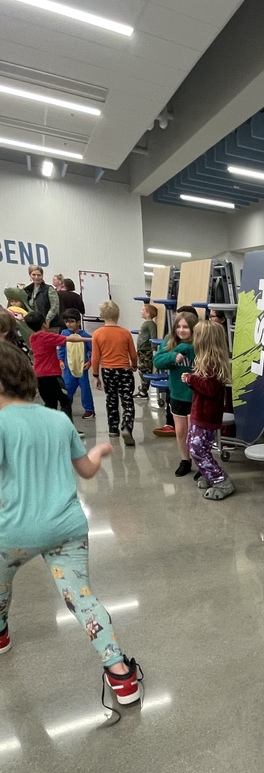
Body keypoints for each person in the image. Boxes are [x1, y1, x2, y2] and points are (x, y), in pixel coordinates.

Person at [0, 342, 142, 703]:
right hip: (67, 528)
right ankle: (121, 674)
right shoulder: (58, 419)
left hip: (12, 531)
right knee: (82, 598)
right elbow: (88, 471)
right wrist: (97, 451)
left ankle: (1, 633)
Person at [180, 320, 234, 500]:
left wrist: (191, 380)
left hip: (207, 415)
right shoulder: (204, 360)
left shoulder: (213, 362)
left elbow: (210, 389)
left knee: (198, 449)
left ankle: (221, 480)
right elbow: (204, 388)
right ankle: (209, 474)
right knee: (195, 445)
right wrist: (192, 381)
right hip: (199, 412)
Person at [153, 310, 197, 476]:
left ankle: (200, 460)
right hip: (177, 394)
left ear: (193, 328)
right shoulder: (169, 341)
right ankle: (185, 459)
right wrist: (174, 355)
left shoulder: (199, 342)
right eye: (178, 326)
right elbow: (157, 361)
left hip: (195, 395)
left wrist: (187, 348)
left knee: (195, 432)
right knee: (180, 431)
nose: (181, 330)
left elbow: (203, 361)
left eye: (186, 327)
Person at [91, 300, 137, 446]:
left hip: (107, 371)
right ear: (118, 315)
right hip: (124, 370)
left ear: (101, 316)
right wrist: (134, 365)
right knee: (127, 399)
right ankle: (127, 426)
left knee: (111, 399)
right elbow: (133, 354)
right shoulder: (125, 333)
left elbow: (95, 357)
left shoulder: (97, 334)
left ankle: (113, 428)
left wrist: (95, 375)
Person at [26, 310, 85, 419]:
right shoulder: (48, 336)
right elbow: (70, 339)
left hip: (39, 376)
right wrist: (91, 339)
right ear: (44, 324)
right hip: (52, 376)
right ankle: (68, 429)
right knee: (65, 401)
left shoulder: (32, 338)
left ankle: (50, 429)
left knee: (50, 403)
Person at [59, 308, 94, 418]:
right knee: (67, 388)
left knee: (85, 389)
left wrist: (90, 362)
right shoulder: (64, 334)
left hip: (81, 367)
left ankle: (89, 409)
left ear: (78, 322)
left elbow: (92, 350)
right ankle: (66, 408)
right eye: (66, 322)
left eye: (71, 321)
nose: (68, 324)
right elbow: (61, 348)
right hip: (68, 368)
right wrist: (60, 360)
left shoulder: (85, 336)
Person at [25, 266, 60, 331]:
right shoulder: (27, 290)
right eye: (34, 275)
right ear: (30, 275)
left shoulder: (49, 289)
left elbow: (55, 307)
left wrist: (46, 320)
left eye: (39, 275)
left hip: (50, 326)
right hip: (35, 326)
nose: (36, 277)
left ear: (42, 276)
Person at [134, 303, 158, 400]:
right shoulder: (146, 323)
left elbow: (153, 337)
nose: (141, 312)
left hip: (146, 351)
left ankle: (144, 390)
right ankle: (143, 388)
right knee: (141, 370)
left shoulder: (151, 324)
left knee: (145, 370)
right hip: (142, 350)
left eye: (143, 310)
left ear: (148, 314)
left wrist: (154, 350)